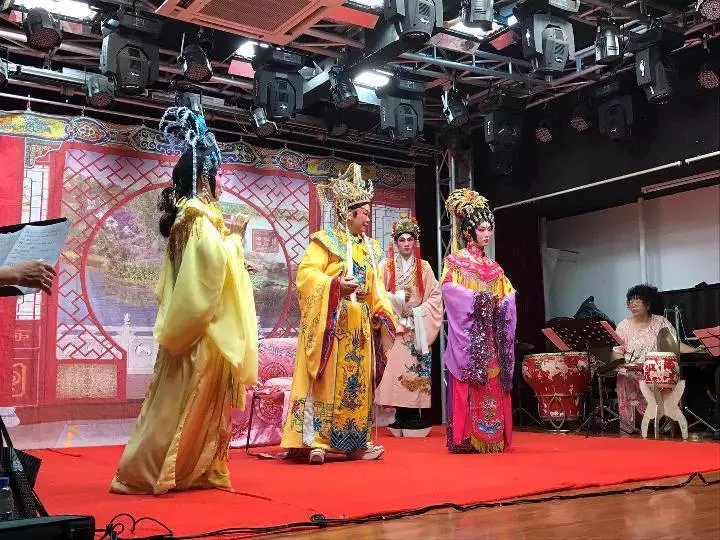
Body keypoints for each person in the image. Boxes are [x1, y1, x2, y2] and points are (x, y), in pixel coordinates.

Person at [110, 106, 258, 495]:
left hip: (198, 327)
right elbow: (208, 267)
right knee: (183, 403)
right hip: (201, 331)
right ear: (206, 177)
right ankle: (156, 470)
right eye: (219, 175)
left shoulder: (196, 217)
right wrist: (236, 241)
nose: (222, 182)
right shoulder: (196, 217)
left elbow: (206, 265)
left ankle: (190, 470)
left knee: (182, 404)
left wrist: (234, 256)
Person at [281, 163, 396, 465]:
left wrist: (382, 312)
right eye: (364, 213)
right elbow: (306, 276)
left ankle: (355, 442)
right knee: (326, 382)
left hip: (360, 329)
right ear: (348, 213)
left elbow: (377, 289)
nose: (368, 218)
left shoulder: (370, 248)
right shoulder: (324, 241)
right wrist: (334, 286)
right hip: (332, 325)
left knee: (355, 387)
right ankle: (316, 441)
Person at [441, 188, 517, 454]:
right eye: (481, 229)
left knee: (493, 382)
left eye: (489, 229)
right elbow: (449, 290)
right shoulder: (455, 262)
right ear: (468, 232)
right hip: (470, 336)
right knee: (469, 379)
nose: (487, 234)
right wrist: (480, 300)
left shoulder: (495, 268)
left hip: (492, 337)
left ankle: (492, 435)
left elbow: (508, 294)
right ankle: (466, 437)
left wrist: (503, 303)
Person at [375, 213, 443, 437]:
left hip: (416, 327)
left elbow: (435, 296)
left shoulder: (424, 267)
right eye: (402, 240)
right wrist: (394, 304)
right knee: (395, 369)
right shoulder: (385, 266)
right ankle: (398, 414)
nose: (406, 244)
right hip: (393, 327)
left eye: (410, 239)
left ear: (415, 242)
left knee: (415, 369)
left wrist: (417, 313)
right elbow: (377, 294)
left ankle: (414, 415)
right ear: (395, 243)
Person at [612, 284, 698, 430]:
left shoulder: (661, 322)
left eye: (638, 300)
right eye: (630, 301)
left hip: (656, 369)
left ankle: (665, 421)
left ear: (648, 304)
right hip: (632, 370)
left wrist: (696, 350)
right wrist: (622, 361)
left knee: (667, 373)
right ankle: (632, 426)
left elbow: (675, 345)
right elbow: (617, 352)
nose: (633, 304)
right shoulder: (623, 326)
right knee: (625, 374)